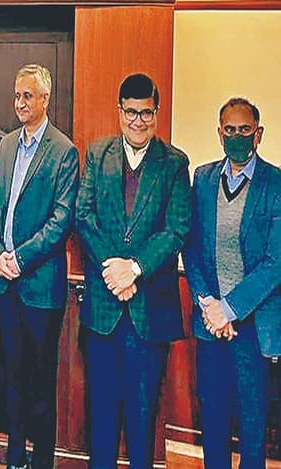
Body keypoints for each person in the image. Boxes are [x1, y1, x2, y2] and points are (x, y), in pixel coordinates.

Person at [75, 73, 191, 469]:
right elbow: (84, 215)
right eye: (131, 112)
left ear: (156, 113)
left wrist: (135, 268)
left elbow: (176, 229)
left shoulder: (174, 163)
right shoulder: (97, 154)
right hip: (103, 312)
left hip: (149, 316)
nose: (138, 121)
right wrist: (114, 270)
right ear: (119, 111)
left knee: (143, 423)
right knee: (101, 419)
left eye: (146, 113)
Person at [0, 64, 79, 469]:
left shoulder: (64, 151)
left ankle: (41, 461)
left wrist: (19, 259)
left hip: (40, 287)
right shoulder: (6, 145)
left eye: (28, 95)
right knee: (12, 376)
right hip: (6, 282)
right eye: (17, 95)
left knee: (41, 383)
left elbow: (61, 221)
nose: (20, 102)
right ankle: (14, 456)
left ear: (45, 99)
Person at [183, 97, 281, 469]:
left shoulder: (275, 183)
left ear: (258, 134)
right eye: (229, 130)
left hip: (253, 329)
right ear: (219, 133)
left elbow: (275, 262)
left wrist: (230, 309)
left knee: (253, 426)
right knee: (213, 420)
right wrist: (208, 302)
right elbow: (191, 246)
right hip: (210, 326)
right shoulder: (204, 178)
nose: (236, 136)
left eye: (244, 130)